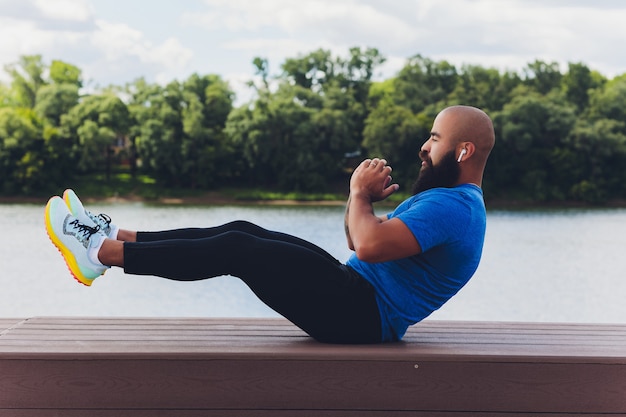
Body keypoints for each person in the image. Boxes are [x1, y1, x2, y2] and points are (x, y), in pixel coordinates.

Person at [45, 105, 495, 344]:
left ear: (463, 152)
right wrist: (358, 202)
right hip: (355, 294)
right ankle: (115, 236)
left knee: (240, 249)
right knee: (244, 230)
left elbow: (370, 246)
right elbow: (359, 241)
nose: (424, 146)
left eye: (435, 139)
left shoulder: (454, 208)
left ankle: (98, 253)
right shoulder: (449, 202)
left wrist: (359, 194)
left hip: (360, 314)